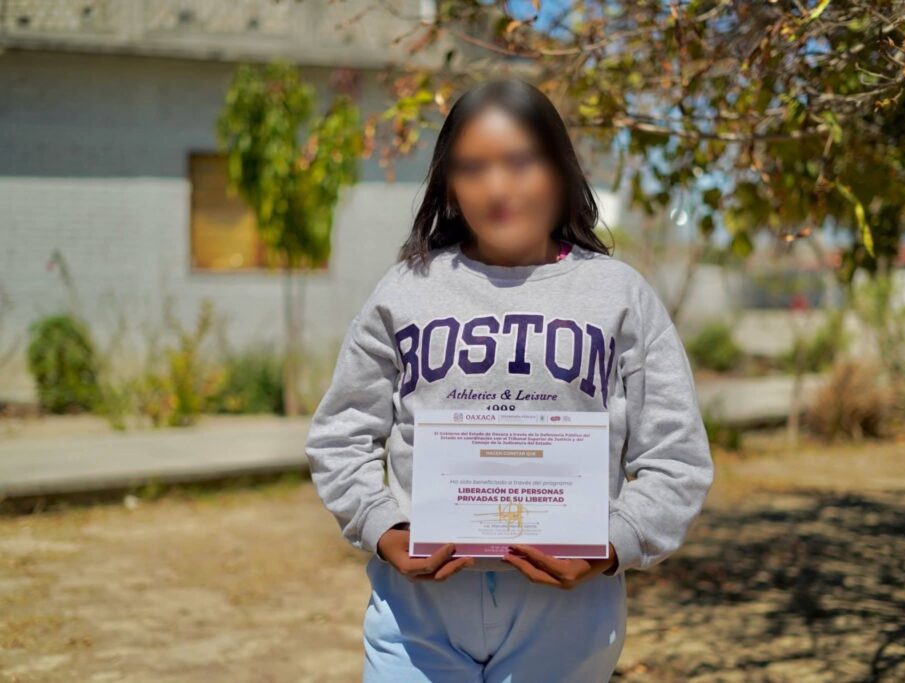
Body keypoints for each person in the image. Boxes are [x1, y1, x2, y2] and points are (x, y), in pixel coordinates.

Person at [305, 78, 714, 683]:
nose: (497, 188)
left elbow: (676, 458)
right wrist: (382, 527)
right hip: (418, 610)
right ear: (449, 183)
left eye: (520, 162)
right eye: (472, 168)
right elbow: (341, 434)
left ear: (560, 170)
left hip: (567, 611)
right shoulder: (407, 289)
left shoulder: (618, 295)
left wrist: (610, 545)